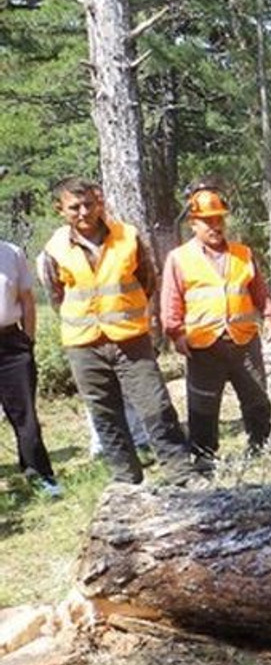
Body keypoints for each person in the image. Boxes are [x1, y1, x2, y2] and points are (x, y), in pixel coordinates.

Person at [39, 177, 199, 486]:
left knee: (155, 405)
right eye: (75, 207)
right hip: (84, 346)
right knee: (104, 415)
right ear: (60, 210)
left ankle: (180, 472)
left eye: (89, 204)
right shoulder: (54, 250)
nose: (84, 212)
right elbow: (56, 296)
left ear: (99, 202)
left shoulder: (128, 237)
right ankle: (126, 479)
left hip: (131, 339)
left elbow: (148, 281)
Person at [161, 184, 271, 464]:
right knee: (203, 402)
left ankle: (263, 445)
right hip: (204, 343)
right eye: (207, 221)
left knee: (256, 397)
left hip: (243, 340)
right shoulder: (179, 258)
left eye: (218, 219)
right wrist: (176, 333)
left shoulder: (243, 253)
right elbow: (171, 298)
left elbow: (259, 290)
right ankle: (203, 455)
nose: (215, 226)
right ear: (193, 224)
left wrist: (270, 314)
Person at [0, 237, 61, 497]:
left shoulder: (11, 253)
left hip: (11, 343)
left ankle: (39, 474)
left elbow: (27, 299)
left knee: (26, 416)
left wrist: (28, 340)